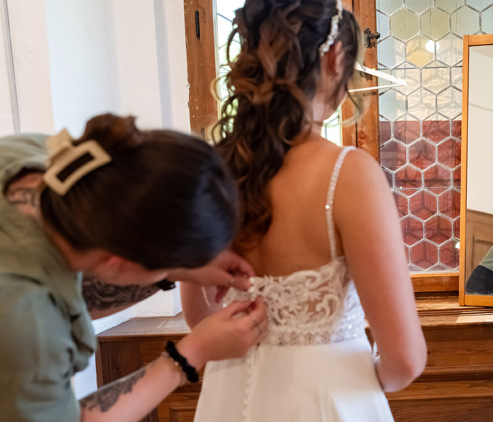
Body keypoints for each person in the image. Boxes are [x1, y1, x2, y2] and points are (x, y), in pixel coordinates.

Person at [181, 1, 427, 421]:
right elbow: (404, 360)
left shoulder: (210, 171)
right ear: (335, 58)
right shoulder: (349, 175)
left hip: (229, 396)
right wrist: (355, 384)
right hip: (330, 400)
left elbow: (199, 316)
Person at [0, 114, 269, 422]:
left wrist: (177, 267)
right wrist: (191, 353)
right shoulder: (28, 322)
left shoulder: (46, 159)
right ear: (117, 262)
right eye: (166, 268)